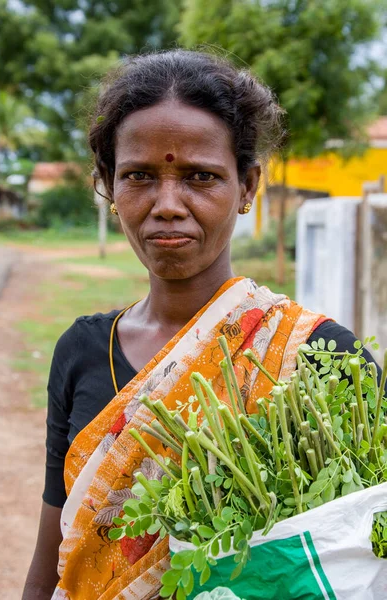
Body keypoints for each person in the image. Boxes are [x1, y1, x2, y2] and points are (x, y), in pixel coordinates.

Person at [22, 50, 383, 600]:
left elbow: (364, 556)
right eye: (139, 175)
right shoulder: (83, 350)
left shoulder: (321, 356)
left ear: (247, 186)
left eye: (201, 176)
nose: (168, 204)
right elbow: (54, 559)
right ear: (108, 187)